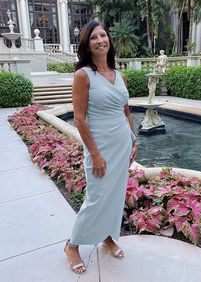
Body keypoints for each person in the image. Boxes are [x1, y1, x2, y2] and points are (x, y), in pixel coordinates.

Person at [64, 20, 139, 274]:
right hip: (99, 147)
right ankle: (72, 245)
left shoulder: (120, 76)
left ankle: (107, 236)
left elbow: (126, 111)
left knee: (116, 197)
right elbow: (80, 118)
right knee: (96, 198)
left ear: (109, 39)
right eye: (94, 37)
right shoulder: (83, 75)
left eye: (103, 35)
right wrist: (94, 154)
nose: (100, 40)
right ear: (87, 44)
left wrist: (134, 138)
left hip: (122, 146)